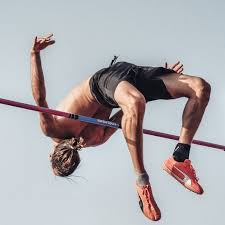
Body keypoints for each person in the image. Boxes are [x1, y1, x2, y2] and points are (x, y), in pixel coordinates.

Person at [30, 34, 211, 221]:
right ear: (51, 155)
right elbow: (127, 115)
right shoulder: (95, 137)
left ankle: (176, 160)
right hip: (123, 86)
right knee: (199, 87)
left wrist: (35, 54)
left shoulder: (54, 129)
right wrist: (152, 89)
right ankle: (154, 173)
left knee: (194, 90)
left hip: (104, 82)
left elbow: (40, 98)